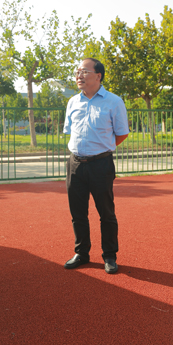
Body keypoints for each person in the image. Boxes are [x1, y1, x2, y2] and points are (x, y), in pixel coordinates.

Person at [63, 58, 129, 274]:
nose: (78, 76)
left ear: (98, 75)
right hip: (75, 164)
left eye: (84, 71)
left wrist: (103, 148)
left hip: (101, 164)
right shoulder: (73, 102)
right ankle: (81, 253)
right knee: (78, 213)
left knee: (106, 213)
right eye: (77, 72)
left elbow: (122, 133)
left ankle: (109, 255)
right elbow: (70, 131)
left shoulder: (114, 101)